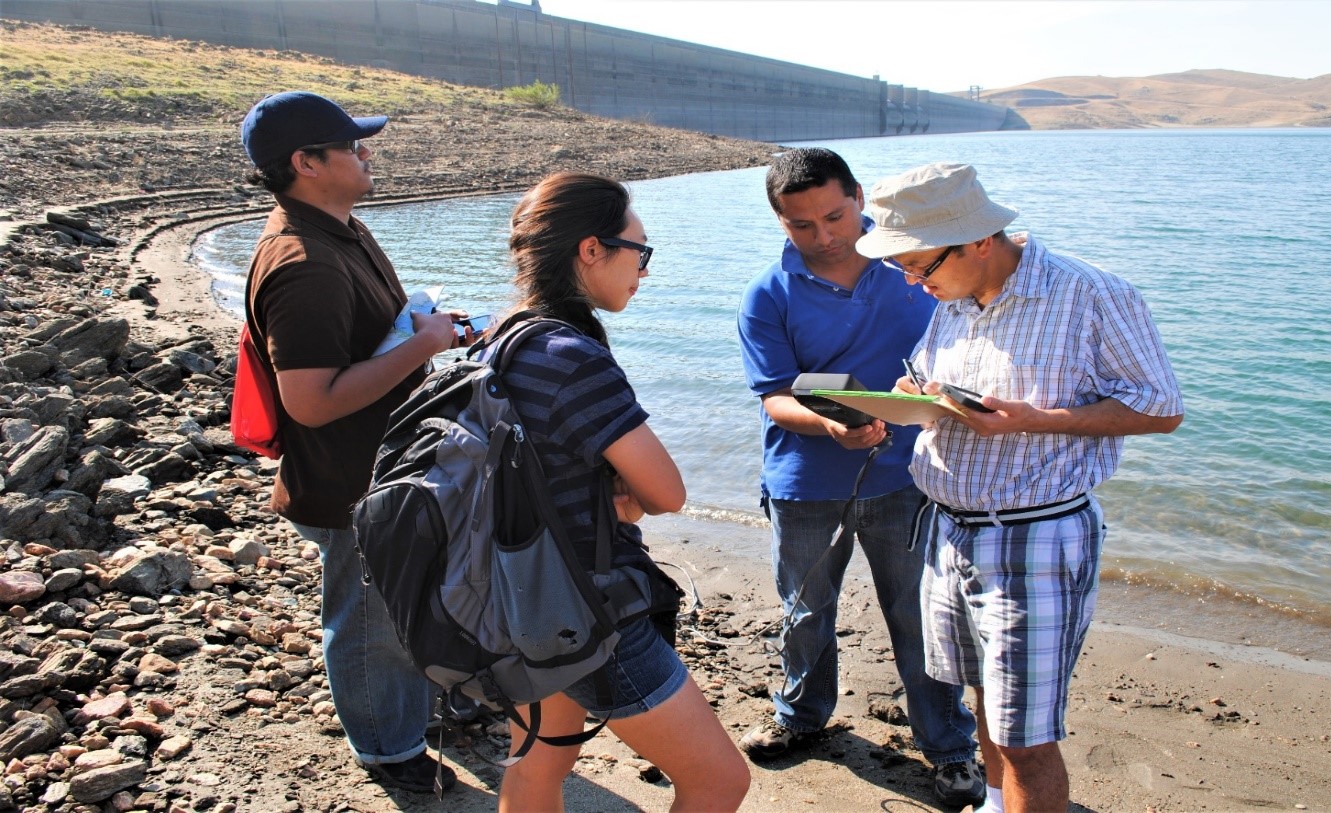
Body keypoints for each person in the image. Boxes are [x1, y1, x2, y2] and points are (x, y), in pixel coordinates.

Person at [855, 161, 1185, 813]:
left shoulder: (1090, 293)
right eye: (903, 269)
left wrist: (1035, 420)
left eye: (920, 265)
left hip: (1035, 538)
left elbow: (1161, 408)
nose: (915, 284)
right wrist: (910, 395)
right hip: (947, 531)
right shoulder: (952, 299)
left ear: (978, 240)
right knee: (984, 699)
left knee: (1025, 737)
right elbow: (931, 375)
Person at [491, 171, 750, 812]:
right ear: (591, 249)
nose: (645, 268)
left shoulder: (506, 339)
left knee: (539, 762)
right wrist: (632, 492)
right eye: (640, 250)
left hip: (520, 595)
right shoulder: (571, 356)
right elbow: (667, 492)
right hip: (586, 609)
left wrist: (615, 485)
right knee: (720, 780)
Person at [736, 148, 985, 810]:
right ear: (779, 223)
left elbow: (970, 348)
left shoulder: (916, 268)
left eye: (835, 216)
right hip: (803, 482)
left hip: (910, 478)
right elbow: (776, 396)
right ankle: (799, 718)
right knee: (804, 612)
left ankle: (951, 748)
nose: (823, 236)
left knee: (922, 617)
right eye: (801, 226)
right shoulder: (766, 294)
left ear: (859, 199)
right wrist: (834, 425)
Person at [240, 91, 474, 793]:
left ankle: (416, 708)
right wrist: (424, 345)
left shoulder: (339, 229)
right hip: (351, 483)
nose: (366, 153)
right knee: (368, 619)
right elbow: (309, 401)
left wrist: (429, 329)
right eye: (350, 146)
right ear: (306, 163)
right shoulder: (303, 259)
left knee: (400, 601)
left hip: (382, 469)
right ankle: (387, 748)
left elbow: (359, 344)